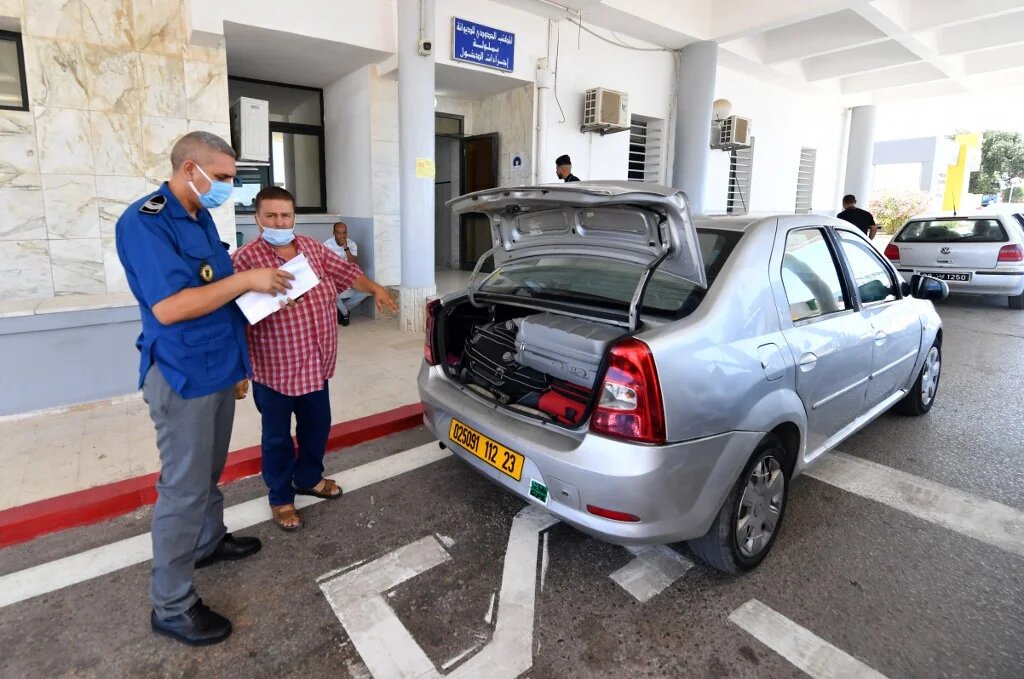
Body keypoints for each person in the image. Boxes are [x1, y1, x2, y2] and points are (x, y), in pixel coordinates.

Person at [115, 132, 295, 647]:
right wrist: (246, 281)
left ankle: (207, 542)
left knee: (208, 472)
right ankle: (171, 606)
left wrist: (239, 365)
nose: (228, 188)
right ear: (189, 168)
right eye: (221, 178)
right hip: (182, 375)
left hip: (217, 367)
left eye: (230, 179)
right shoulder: (145, 222)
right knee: (184, 488)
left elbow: (215, 297)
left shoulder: (200, 217)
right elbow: (171, 307)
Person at [232, 187, 398, 532]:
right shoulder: (245, 260)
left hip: (315, 365)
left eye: (286, 215)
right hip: (274, 371)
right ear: (257, 218)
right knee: (276, 437)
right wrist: (237, 369)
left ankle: (308, 477)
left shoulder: (312, 249)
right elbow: (233, 316)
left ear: (294, 217)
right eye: (271, 216)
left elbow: (348, 274)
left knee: (317, 426)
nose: (280, 222)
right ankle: (280, 497)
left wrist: (376, 288)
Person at [323, 221, 370, 326]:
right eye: (339, 233)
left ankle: (345, 310)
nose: (342, 236)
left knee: (367, 290)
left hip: (349, 276)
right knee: (330, 292)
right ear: (334, 233)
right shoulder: (327, 245)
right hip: (334, 277)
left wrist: (346, 248)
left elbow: (354, 263)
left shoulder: (351, 244)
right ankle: (345, 313)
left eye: (344, 233)